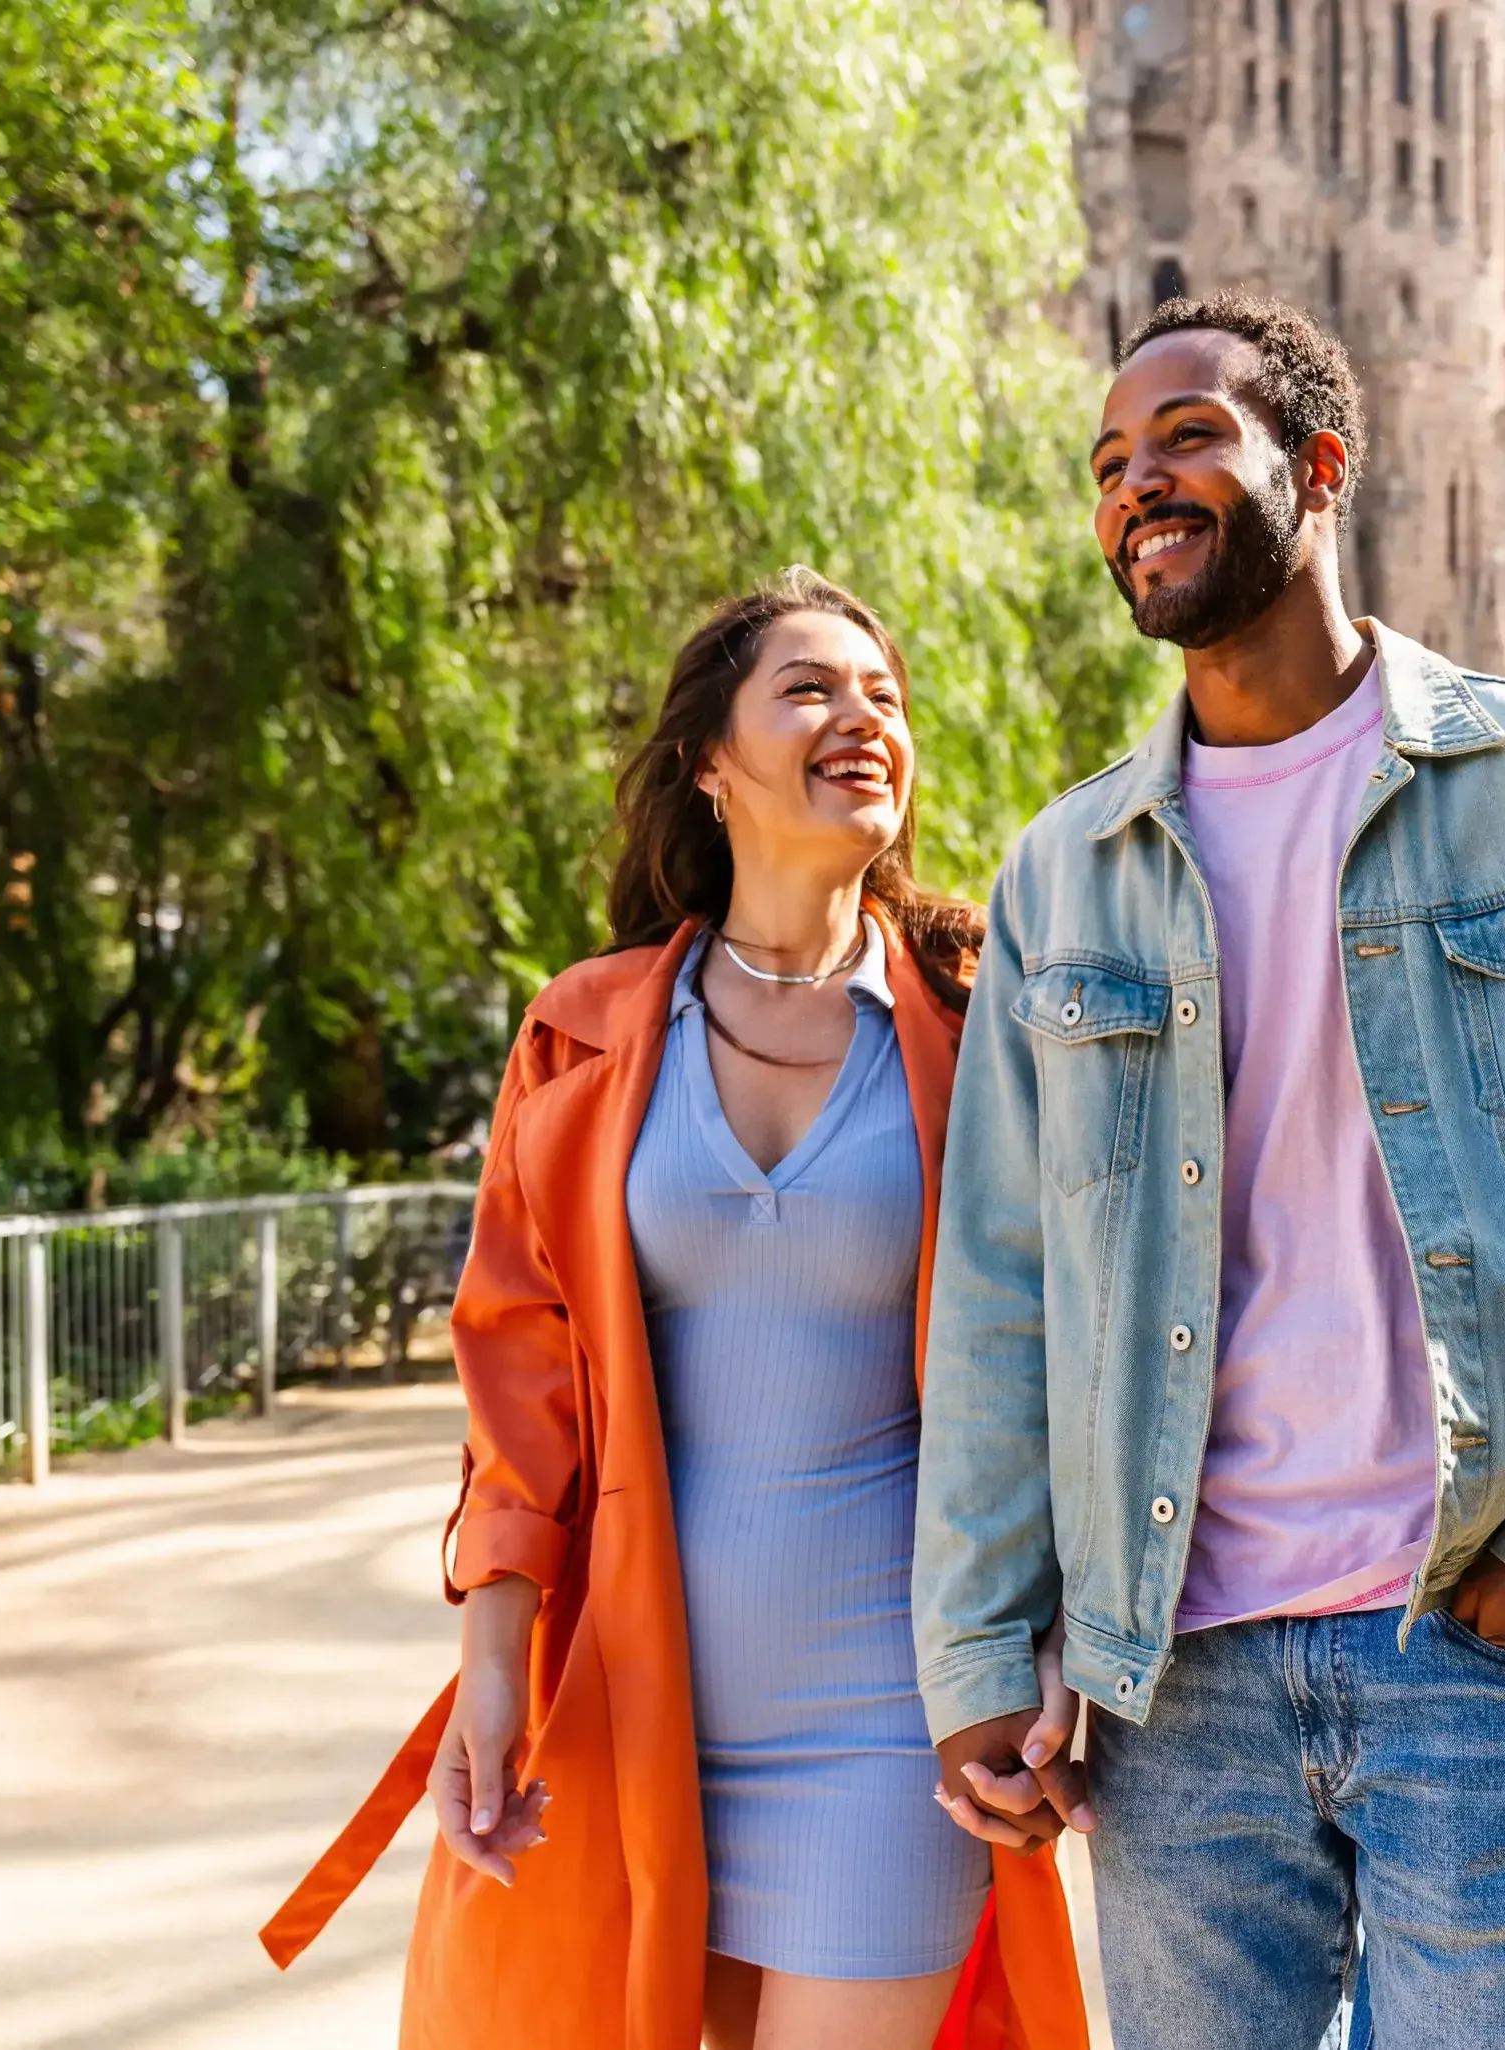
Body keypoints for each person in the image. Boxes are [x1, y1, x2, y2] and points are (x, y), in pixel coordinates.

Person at [913, 291, 1505, 2047]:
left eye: (1185, 440)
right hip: (1176, 1685)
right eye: (1107, 465)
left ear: (1317, 471)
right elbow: (1005, 1282)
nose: (1135, 488)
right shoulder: (1062, 874)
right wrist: (977, 1656)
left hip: (1476, 1641)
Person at [261, 569, 1086, 2050]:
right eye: (814, 687)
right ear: (711, 761)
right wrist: (493, 1671)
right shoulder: (582, 1031)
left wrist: (1053, 1641)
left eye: (886, 696)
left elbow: (1060, 1363)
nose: (864, 717)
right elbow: (521, 1382)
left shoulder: (978, 1027)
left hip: (889, 1724)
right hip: (629, 1705)